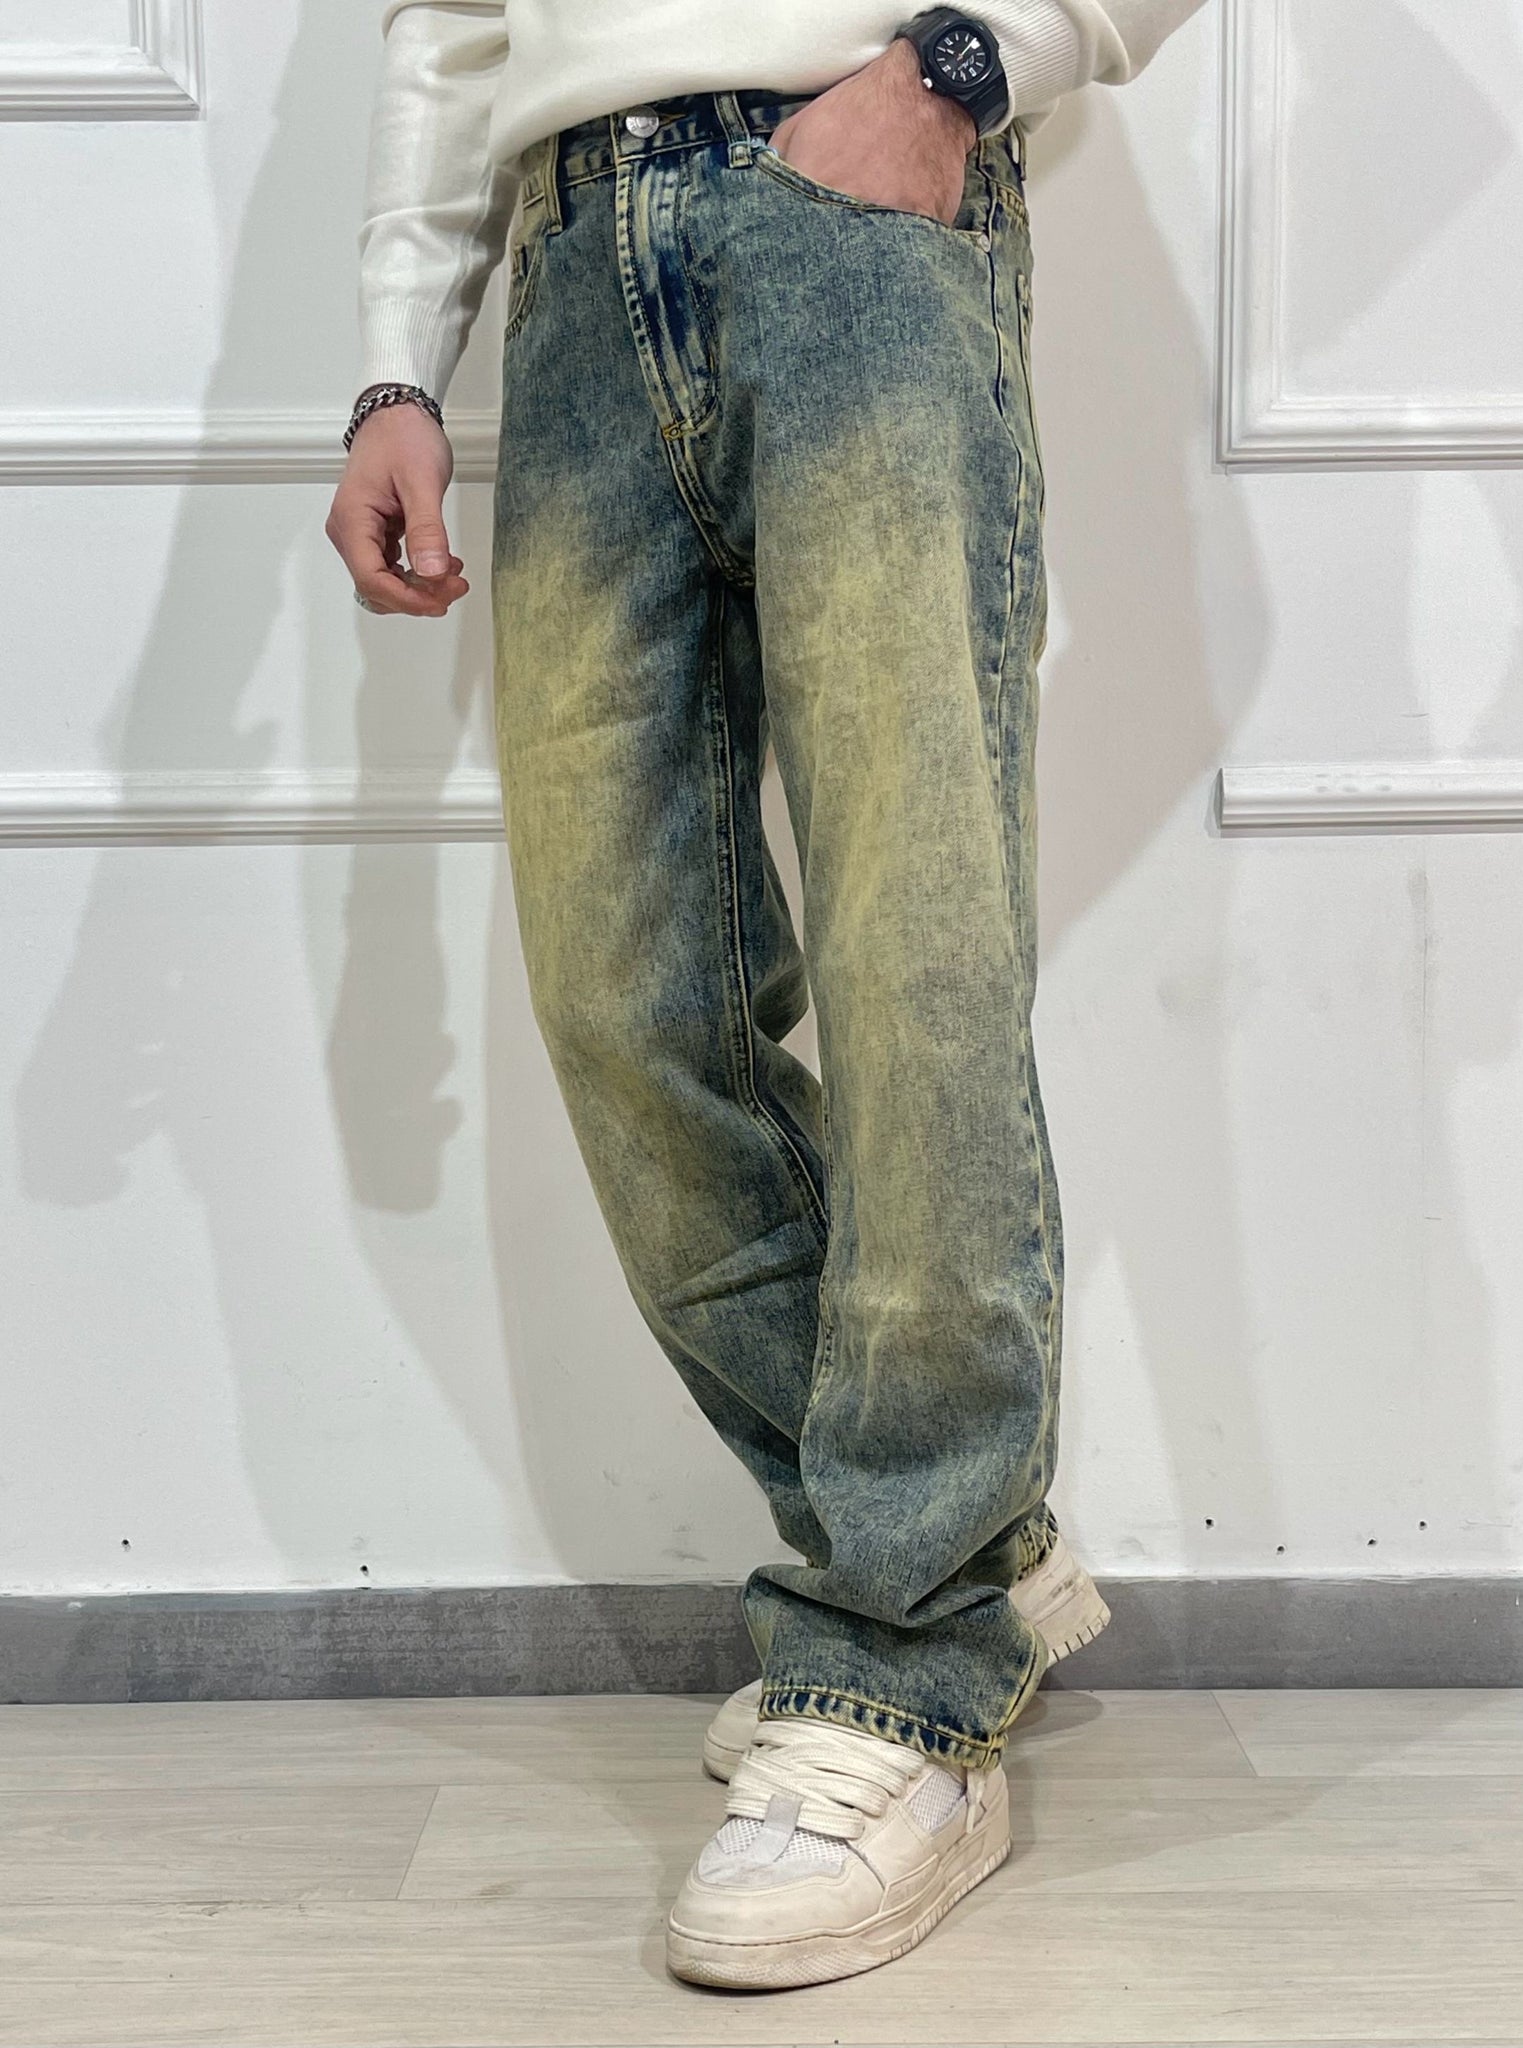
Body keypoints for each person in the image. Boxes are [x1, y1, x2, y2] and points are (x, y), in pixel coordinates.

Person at [327, 0, 1206, 1991]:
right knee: (627, 1005)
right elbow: (446, 23)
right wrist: (398, 357)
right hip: (574, 265)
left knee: (913, 964)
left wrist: (966, 69)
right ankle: (954, 1571)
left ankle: (901, 1664)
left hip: (862, 223)